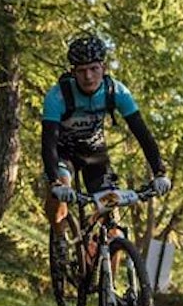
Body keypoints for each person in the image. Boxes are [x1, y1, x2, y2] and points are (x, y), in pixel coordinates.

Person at [42, 35, 171, 243]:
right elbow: (48, 143)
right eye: (81, 71)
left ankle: (104, 266)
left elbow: (142, 134)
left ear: (104, 67)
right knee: (58, 198)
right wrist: (55, 183)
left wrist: (160, 172)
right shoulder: (57, 96)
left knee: (112, 226)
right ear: (73, 72)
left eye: (94, 69)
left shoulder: (116, 91)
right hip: (63, 153)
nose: (89, 76)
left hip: (94, 154)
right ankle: (60, 241)